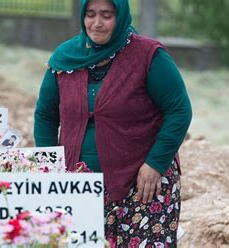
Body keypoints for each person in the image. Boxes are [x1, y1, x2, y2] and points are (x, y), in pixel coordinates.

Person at [33, 0, 192, 246]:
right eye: (91, 14)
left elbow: (179, 110)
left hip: (142, 185)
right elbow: (45, 116)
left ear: (120, 17)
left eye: (106, 15)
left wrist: (155, 164)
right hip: (79, 186)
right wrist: (48, 167)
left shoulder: (148, 55)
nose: (97, 23)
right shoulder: (64, 59)